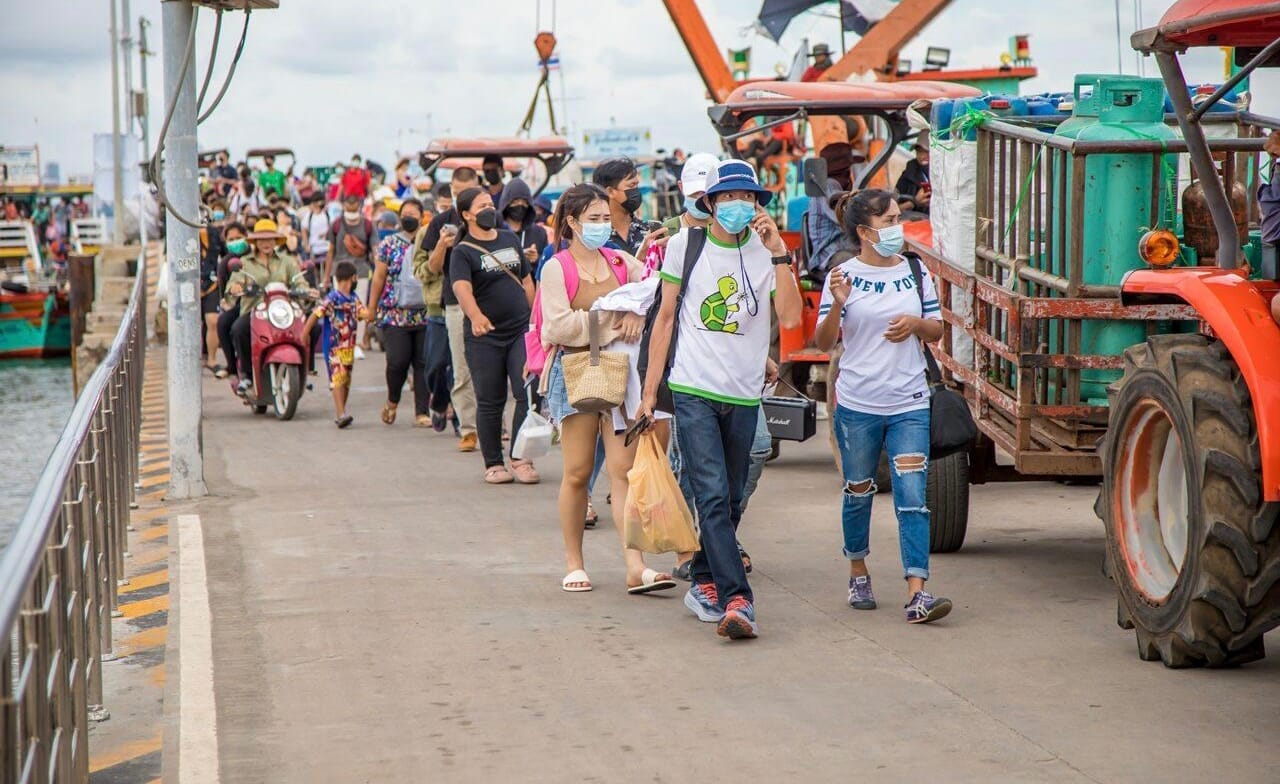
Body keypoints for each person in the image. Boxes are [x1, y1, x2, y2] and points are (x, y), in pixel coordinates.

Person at [639, 159, 802, 640]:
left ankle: (704, 579)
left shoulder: (765, 252)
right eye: (728, 197)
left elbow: (791, 318)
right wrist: (649, 393)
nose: (738, 205)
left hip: (745, 392)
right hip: (693, 388)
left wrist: (779, 254)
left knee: (729, 498)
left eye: (747, 197)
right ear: (709, 203)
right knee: (710, 493)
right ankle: (738, 599)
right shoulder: (684, 246)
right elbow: (665, 319)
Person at [814, 188, 952, 624]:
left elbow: (936, 330)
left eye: (898, 219)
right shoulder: (842, 276)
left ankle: (918, 590)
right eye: (889, 221)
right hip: (857, 406)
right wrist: (837, 306)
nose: (898, 227)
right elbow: (822, 342)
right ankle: (858, 571)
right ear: (864, 231)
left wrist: (915, 324)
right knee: (858, 491)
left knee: (913, 498)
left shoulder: (915, 270)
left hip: (910, 402)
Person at [538, 183, 677, 594]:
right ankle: (574, 563)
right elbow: (557, 326)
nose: (601, 225)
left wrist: (636, 312)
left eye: (604, 218)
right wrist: (614, 319)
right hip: (575, 371)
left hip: (620, 374)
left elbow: (655, 290)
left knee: (624, 470)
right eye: (593, 219)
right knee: (578, 472)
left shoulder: (619, 260)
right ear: (572, 222)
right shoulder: (556, 267)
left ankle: (635, 566)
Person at [449, 187, 537, 484]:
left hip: (519, 330)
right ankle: (494, 463)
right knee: (490, 400)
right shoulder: (462, 251)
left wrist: (535, 320)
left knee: (527, 391)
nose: (489, 209)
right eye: (481, 206)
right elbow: (461, 287)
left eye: (490, 204)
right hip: (484, 336)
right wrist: (476, 316)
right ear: (466, 215)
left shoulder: (509, 239)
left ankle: (520, 457)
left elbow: (526, 280)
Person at [422, 167, 482, 452]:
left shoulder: (489, 218)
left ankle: (493, 424)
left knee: (489, 367)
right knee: (460, 368)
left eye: (468, 192)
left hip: (488, 301)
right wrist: (441, 247)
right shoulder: (441, 222)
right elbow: (431, 269)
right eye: (458, 193)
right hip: (455, 303)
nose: (462, 198)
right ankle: (468, 428)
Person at [225, 219, 310, 396]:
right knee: (238, 329)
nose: (266, 243)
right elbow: (234, 282)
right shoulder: (245, 262)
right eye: (262, 239)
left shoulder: (287, 261)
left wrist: (306, 290)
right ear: (255, 241)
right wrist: (235, 288)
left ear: (275, 241)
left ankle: (306, 371)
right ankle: (246, 375)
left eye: (270, 239)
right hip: (255, 311)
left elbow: (299, 281)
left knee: (310, 327)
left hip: (283, 310)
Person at [367, 199, 432, 426]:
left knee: (423, 363)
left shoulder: (429, 242)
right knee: (397, 361)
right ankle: (392, 401)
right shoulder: (388, 244)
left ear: (422, 217)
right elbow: (379, 277)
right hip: (395, 314)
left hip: (424, 314)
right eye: (405, 214)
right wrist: (372, 308)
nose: (408, 218)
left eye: (413, 214)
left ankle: (422, 412)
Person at [306, 260, 368, 428]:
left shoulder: (354, 298)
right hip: (334, 346)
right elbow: (315, 315)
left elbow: (364, 313)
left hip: (349, 347)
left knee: (346, 380)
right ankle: (341, 414)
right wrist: (305, 335)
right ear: (351, 278)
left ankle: (342, 412)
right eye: (355, 278)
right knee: (337, 379)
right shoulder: (332, 298)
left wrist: (374, 313)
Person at [327, 193, 376, 352]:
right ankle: (341, 339)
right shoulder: (336, 224)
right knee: (340, 306)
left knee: (359, 306)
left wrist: (378, 271)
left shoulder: (368, 225)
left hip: (361, 272)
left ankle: (358, 342)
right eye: (349, 207)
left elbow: (375, 250)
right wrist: (326, 277)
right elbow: (330, 251)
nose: (351, 210)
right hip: (339, 272)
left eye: (354, 208)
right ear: (344, 206)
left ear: (359, 207)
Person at [806, 142, 859, 279]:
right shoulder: (827, 186)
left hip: (844, 247)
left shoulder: (837, 187)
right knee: (853, 265)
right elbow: (844, 217)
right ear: (843, 170)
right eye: (849, 169)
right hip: (830, 254)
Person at [215, 222, 249, 381]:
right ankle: (232, 367)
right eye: (231, 239)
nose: (236, 242)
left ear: (246, 237)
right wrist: (229, 299)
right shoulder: (225, 263)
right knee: (224, 323)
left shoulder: (253, 257)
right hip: (241, 304)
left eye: (239, 238)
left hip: (263, 302)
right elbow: (224, 291)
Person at [199, 205, 227, 376]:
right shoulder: (178, 234)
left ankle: (212, 359)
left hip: (211, 283)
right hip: (188, 285)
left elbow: (224, 254)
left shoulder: (215, 234)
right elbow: (171, 259)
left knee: (212, 321)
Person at [499, 178, 549, 271]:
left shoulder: (539, 233)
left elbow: (547, 264)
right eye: (515, 201)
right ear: (506, 203)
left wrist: (536, 259)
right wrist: (517, 257)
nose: (520, 205)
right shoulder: (496, 231)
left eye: (525, 202)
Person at [895, 134, 932, 215]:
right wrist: (914, 202)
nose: (922, 156)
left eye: (927, 151)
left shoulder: (947, 175)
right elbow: (894, 210)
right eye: (919, 151)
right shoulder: (908, 175)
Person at [301, 193, 331, 285]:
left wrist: (327, 234)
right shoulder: (309, 216)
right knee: (314, 270)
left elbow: (333, 227)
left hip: (327, 247)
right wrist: (306, 243)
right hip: (314, 247)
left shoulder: (327, 214)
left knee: (327, 268)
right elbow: (304, 229)